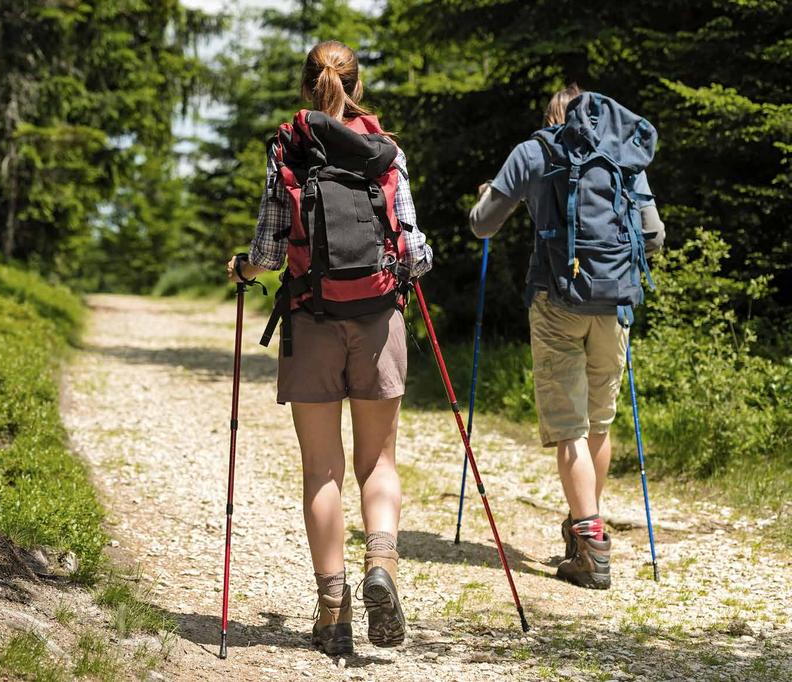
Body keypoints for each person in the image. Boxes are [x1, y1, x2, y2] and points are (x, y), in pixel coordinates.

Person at [226, 40, 432, 654]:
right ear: (357, 86)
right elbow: (414, 249)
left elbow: (268, 249)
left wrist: (244, 269)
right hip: (377, 320)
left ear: (305, 86)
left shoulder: (287, 148)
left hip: (310, 318)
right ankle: (383, 567)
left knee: (322, 469)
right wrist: (408, 270)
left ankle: (333, 610)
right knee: (378, 463)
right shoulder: (386, 152)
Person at [469, 84, 665, 589]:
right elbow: (654, 236)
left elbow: (483, 226)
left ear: (553, 114)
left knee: (569, 428)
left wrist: (487, 197)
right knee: (598, 421)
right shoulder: (624, 154)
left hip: (556, 299)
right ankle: (585, 526)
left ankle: (591, 545)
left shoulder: (534, 150)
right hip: (615, 303)